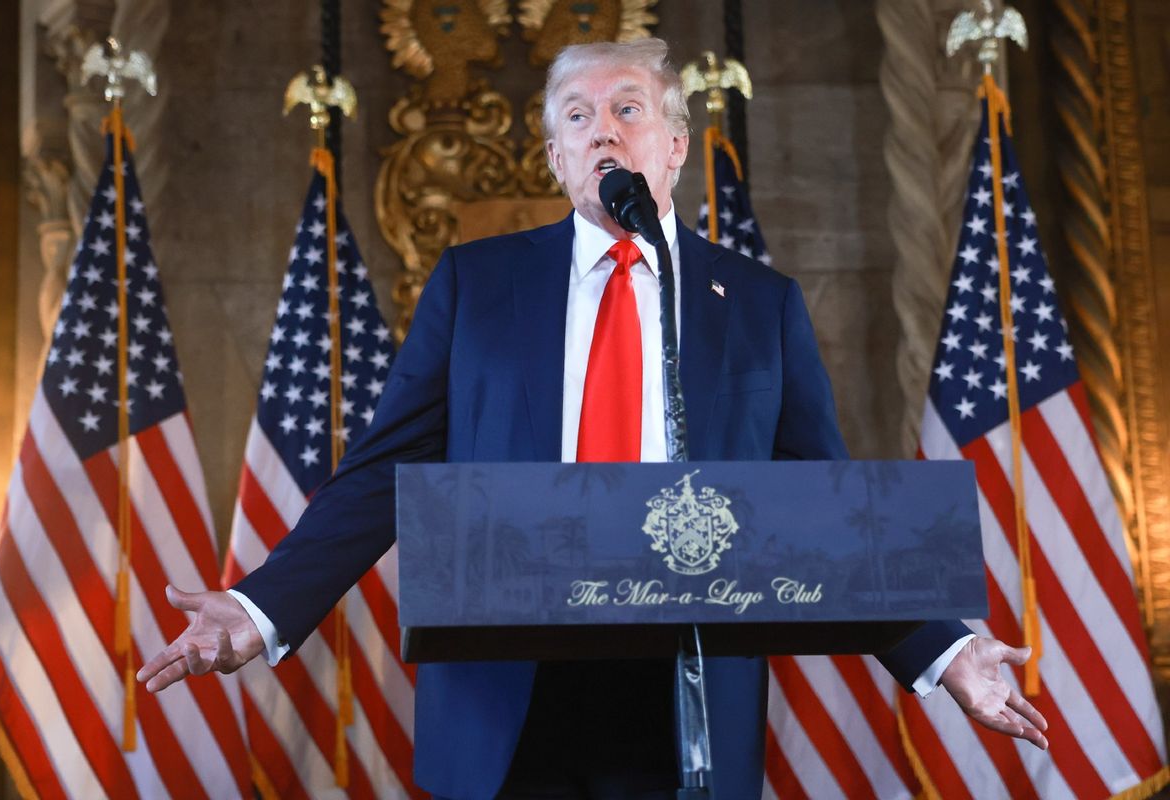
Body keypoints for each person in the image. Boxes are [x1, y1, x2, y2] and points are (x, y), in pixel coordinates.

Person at [138, 38, 1047, 800]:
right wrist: (260, 608)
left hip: (687, 686)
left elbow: (825, 510)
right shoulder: (478, 286)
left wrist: (945, 652)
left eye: (628, 110)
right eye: (577, 117)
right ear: (556, 158)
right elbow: (383, 472)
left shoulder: (758, 306)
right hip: (507, 688)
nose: (602, 130)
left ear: (675, 146)